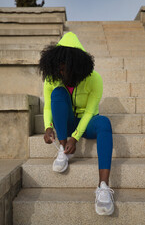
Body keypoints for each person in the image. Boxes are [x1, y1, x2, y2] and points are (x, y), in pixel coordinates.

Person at [38, 32, 114, 216]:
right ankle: (62, 151)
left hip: (86, 123)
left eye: (67, 70)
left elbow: (90, 112)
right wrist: (48, 126)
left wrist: (76, 137)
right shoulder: (52, 78)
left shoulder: (94, 79)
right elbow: (48, 105)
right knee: (57, 94)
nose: (63, 74)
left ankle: (103, 187)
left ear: (78, 66)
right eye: (60, 69)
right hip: (66, 121)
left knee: (104, 122)